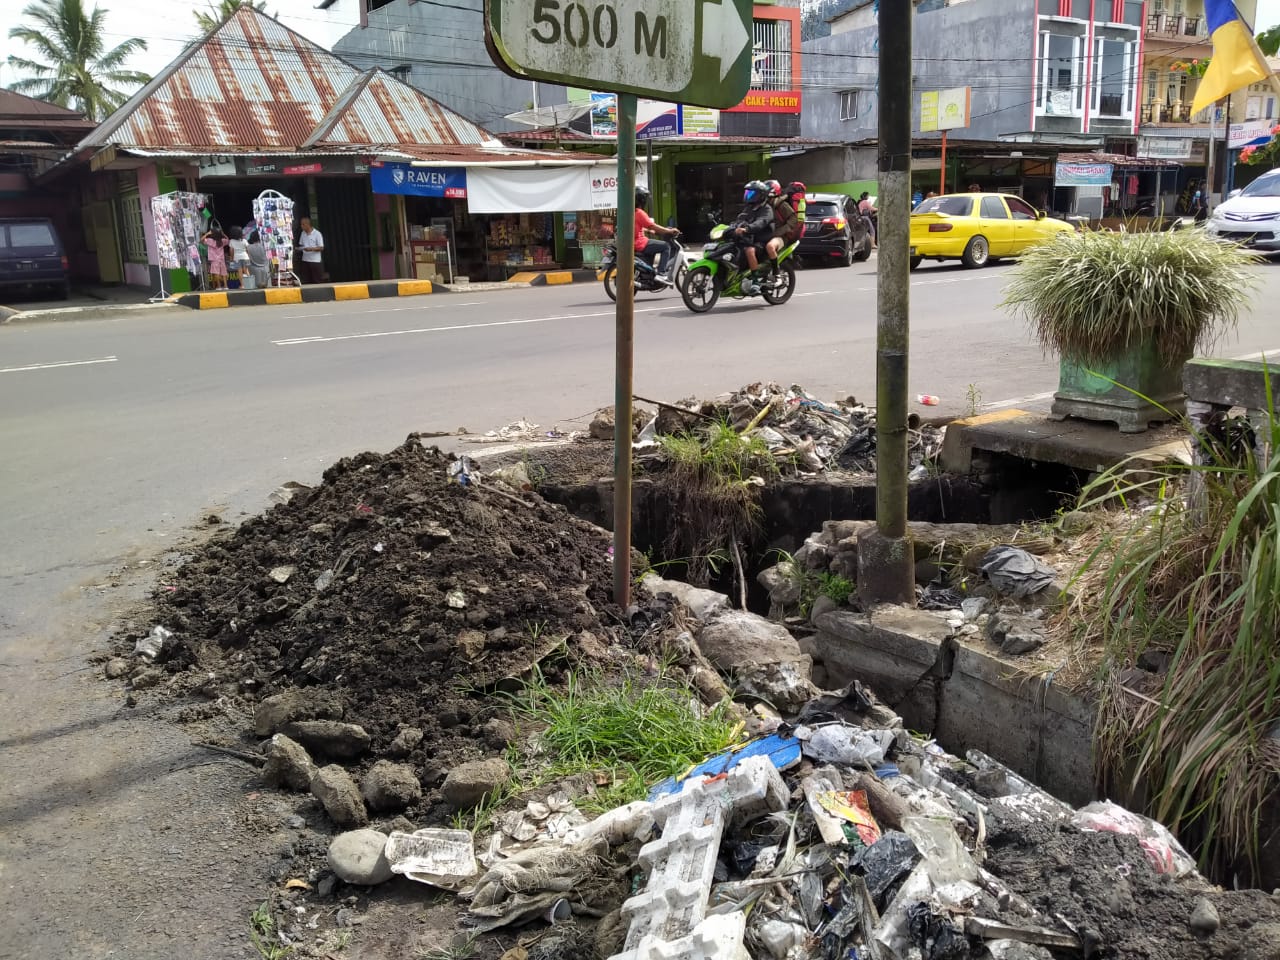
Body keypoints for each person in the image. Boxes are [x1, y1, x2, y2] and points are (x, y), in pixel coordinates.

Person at [733, 180, 775, 295]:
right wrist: (732, 227)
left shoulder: (767, 209)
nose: (748, 196)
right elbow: (740, 219)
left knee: (749, 251)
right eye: (747, 193)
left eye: (752, 194)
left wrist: (747, 229)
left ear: (761, 195)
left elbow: (761, 223)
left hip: (761, 240)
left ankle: (755, 282)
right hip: (749, 238)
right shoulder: (749, 208)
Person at [634, 186, 680, 283]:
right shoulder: (639, 213)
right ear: (641, 199)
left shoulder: (630, 212)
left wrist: (648, 231)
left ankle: (650, 274)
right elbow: (653, 226)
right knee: (666, 246)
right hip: (639, 243)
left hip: (635, 242)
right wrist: (668, 231)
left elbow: (636, 227)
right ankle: (661, 274)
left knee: (655, 245)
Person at [764, 180, 801, 273]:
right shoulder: (763, 205)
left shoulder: (781, 204)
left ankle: (776, 273)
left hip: (780, 237)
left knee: (770, 247)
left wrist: (780, 231)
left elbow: (794, 219)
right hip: (766, 235)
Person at [298, 216, 325, 284]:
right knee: (306, 281)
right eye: (301, 224)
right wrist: (299, 248)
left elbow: (321, 247)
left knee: (317, 281)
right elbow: (301, 245)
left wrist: (311, 249)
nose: (301, 226)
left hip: (315, 261)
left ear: (308, 224)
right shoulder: (303, 233)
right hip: (305, 260)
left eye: (303, 224)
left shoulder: (317, 234)